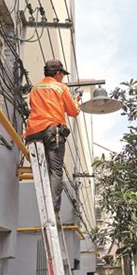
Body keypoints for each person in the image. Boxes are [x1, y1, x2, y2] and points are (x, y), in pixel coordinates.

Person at [24, 59, 81, 215]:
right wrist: (77, 102)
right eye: (62, 74)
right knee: (55, 171)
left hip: (33, 133)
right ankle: (53, 210)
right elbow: (73, 112)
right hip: (52, 131)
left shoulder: (35, 88)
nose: (63, 77)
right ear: (57, 73)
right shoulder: (60, 88)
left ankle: (44, 202)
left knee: (41, 168)